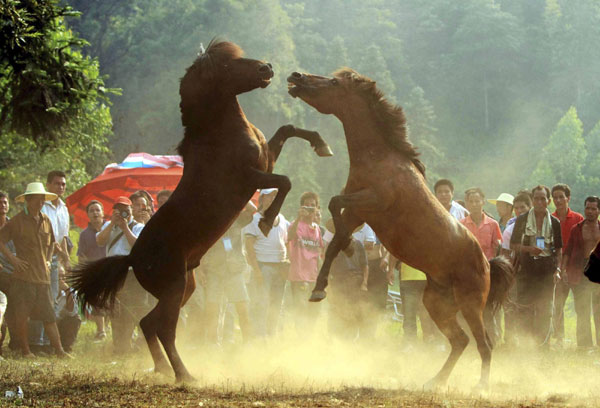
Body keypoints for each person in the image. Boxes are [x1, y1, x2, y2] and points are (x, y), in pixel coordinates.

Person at [0, 182, 71, 358]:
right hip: (23, 277)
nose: (40, 203)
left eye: (42, 199)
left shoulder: (45, 220)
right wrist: (13, 259)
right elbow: (0, 241)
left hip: (42, 277)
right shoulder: (16, 221)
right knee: (22, 316)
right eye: (37, 199)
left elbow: (52, 243)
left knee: (49, 316)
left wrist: (48, 260)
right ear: (28, 200)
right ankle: (26, 351)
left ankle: (60, 351)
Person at [510, 185, 562, 346]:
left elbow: (559, 249)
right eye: (536, 198)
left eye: (543, 198)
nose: (539, 202)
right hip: (527, 269)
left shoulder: (554, 222)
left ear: (549, 201)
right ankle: (527, 343)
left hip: (547, 269)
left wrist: (558, 269)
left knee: (545, 308)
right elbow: (513, 245)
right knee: (524, 306)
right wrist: (529, 249)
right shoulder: (522, 219)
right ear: (532, 200)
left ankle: (543, 343)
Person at [200, 201, 255, 345]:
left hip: (234, 270)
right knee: (213, 309)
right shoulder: (207, 221)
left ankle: (248, 343)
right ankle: (212, 344)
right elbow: (199, 248)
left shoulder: (238, 219)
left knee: (242, 308)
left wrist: (237, 192)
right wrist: (200, 271)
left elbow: (253, 210)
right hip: (214, 270)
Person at [96, 196, 145, 354]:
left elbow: (137, 247)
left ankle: (133, 344)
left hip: (130, 274)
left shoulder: (138, 226)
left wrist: (125, 228)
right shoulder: (108, 225)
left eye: (126, 210)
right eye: (119, 210)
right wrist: (112, 223)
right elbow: (99, 241)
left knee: (131, 308)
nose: (123, 213)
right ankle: (119, 346)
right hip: (113, 273)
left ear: (131, 211)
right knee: (114, 310)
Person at [244, 189, 290, 338]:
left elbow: (287, 241)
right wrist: (256, 271)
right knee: (261, 304)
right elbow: (249, 248)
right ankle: (260, 337)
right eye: (269, 196)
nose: (272, 199)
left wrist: (287, 261)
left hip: (279, 266)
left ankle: (272, 336)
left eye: (275, 197)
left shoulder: (282, 219)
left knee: (277, 304)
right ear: (262, 199)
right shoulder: (254, 220)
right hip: (263, 266)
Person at [460, 187, 503, 343]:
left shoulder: (492, 225)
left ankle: (492, 339)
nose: (474, 204)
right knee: (469, 307)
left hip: (488, 272)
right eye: (471, 201)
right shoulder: (461, 224)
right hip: (468, 273)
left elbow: (498, 247)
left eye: (477, 201)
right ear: (466, 203)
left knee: (488, 306)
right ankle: (472, 341)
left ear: (483, 202)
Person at [559, 196, 600, 348]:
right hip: (580, 272)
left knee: (599, 312)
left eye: (594, 208)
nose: (590, 211)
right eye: (588, 208)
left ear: (599, 210)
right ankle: (584, 346)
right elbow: (567, 251)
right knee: (582, 310)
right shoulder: (576, 229)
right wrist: (562, 270)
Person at [550, 183, 584, 346]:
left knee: (581, 306)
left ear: (568, 198)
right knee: (557, 305)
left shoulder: (578, 219)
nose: (558, 200)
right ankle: (559, 338)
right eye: (555, 197)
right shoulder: (550, 219)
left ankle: (583, 342)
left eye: (561, 197)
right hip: (558, 268)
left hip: (576, 270)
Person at [287, 192, 323, 335]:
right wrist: (298, 218)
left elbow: (319, 252)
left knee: (314, 310)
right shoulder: (295, 225)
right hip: (299, 275)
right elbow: (289, 237)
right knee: (301, 308)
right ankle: (300, 338)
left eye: (312, 206)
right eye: (306, 205)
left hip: (313, 276)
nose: (309, 208)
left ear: (317, 208)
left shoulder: (317, 229)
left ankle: (309, 337)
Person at [327, 233, 369, 342]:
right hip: (338, 281)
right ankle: (336, 338)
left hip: (355, 280)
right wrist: (329, 286)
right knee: (338, 309)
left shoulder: (358, 244)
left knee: (355, 309)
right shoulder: (333, 245)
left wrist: (364, 283)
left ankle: (354, 338)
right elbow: (327, 266)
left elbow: (365, 265)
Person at [77, 200, 107, 340]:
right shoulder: (84, 234)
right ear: (88, 215)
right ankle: (101, 331)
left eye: (97, 210)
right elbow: (81, 256)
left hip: (112, 270)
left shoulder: (111, 228)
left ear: (103, 213)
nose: (95, 213)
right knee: (97, 301)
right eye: (91, 211)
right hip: (94, 273)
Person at [0, 190, 17, 353]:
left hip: (13, 273)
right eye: (0, 203)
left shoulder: (13, 225)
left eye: (5, 202)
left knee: (14, 310)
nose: (2, 206)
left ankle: (14, 344)